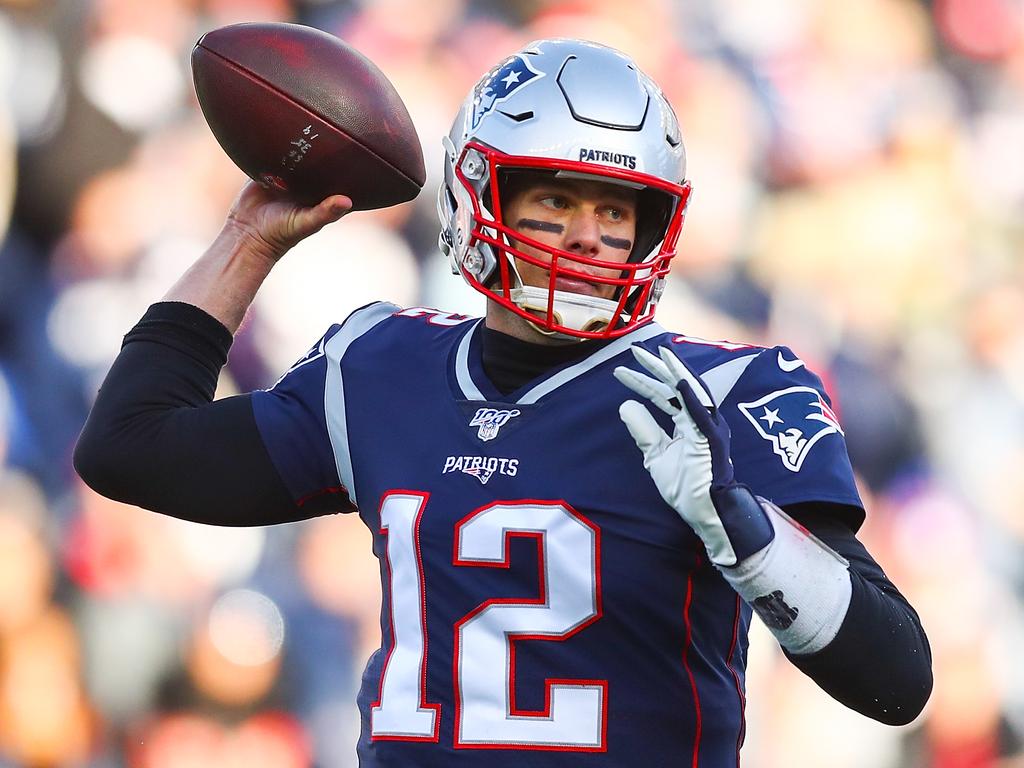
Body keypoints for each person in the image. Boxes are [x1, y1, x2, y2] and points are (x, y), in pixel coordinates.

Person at [75, 38, 932, 766]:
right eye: (556, 198)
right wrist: (248, 239)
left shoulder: (721, 394)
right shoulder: (380, 367)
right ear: (479, 193)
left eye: (615, 208)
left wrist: (742, 529)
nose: (591, 233)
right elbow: (130, 447)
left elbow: (897, 679)